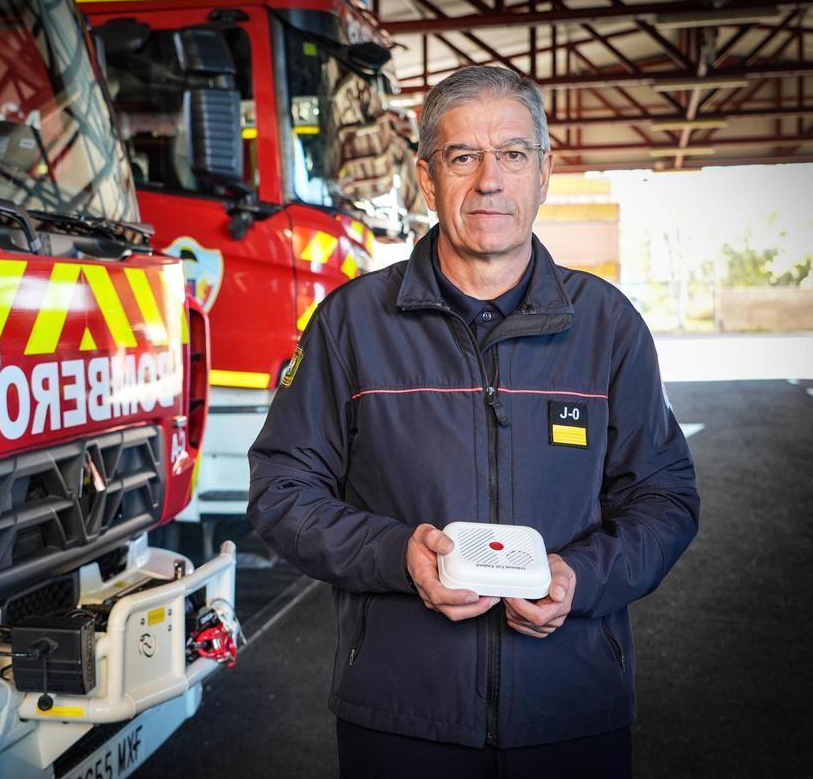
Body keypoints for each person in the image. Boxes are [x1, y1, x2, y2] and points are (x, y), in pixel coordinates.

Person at [246, 66, 699, 778]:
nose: (491, 180)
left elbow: (665, 499)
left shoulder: (608, 327)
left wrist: (580, 578)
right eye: (464, 157)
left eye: (514, 154)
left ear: (544, 172)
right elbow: (281, 493)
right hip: (402, 719)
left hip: (572, 712)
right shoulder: (350, 326)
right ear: (427, 179)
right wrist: (399, 555)